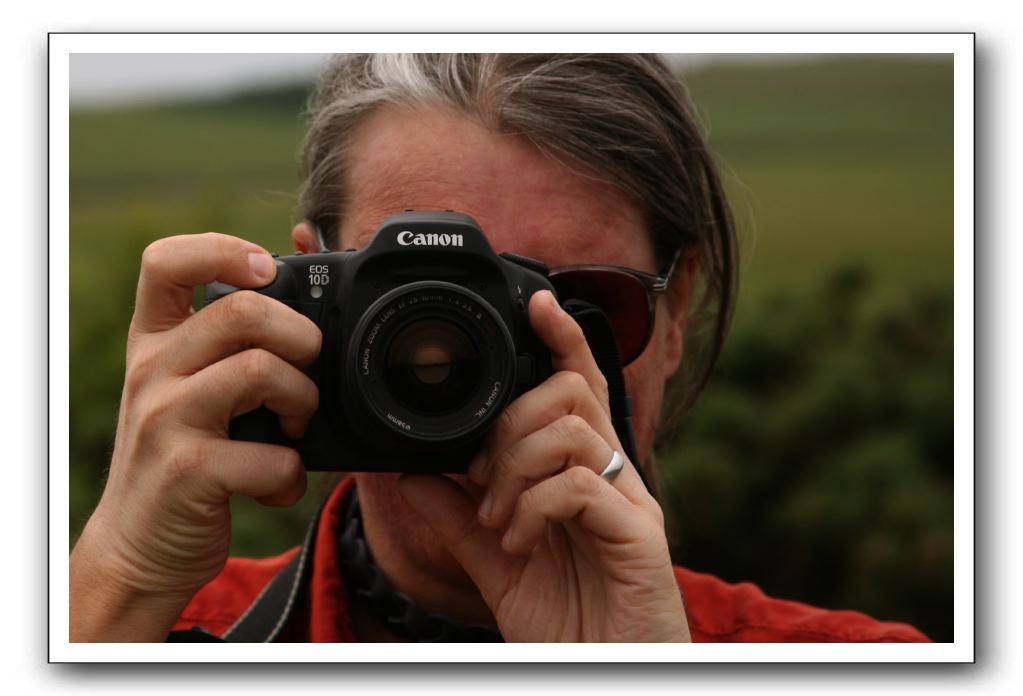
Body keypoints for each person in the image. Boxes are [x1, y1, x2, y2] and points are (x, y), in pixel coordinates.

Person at [69, 53, 929, 643]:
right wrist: (116, 591)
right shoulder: (171, 635)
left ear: (675, 319)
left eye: (581, 308)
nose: (482, 361)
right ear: (308, 287)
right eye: (411, 309)